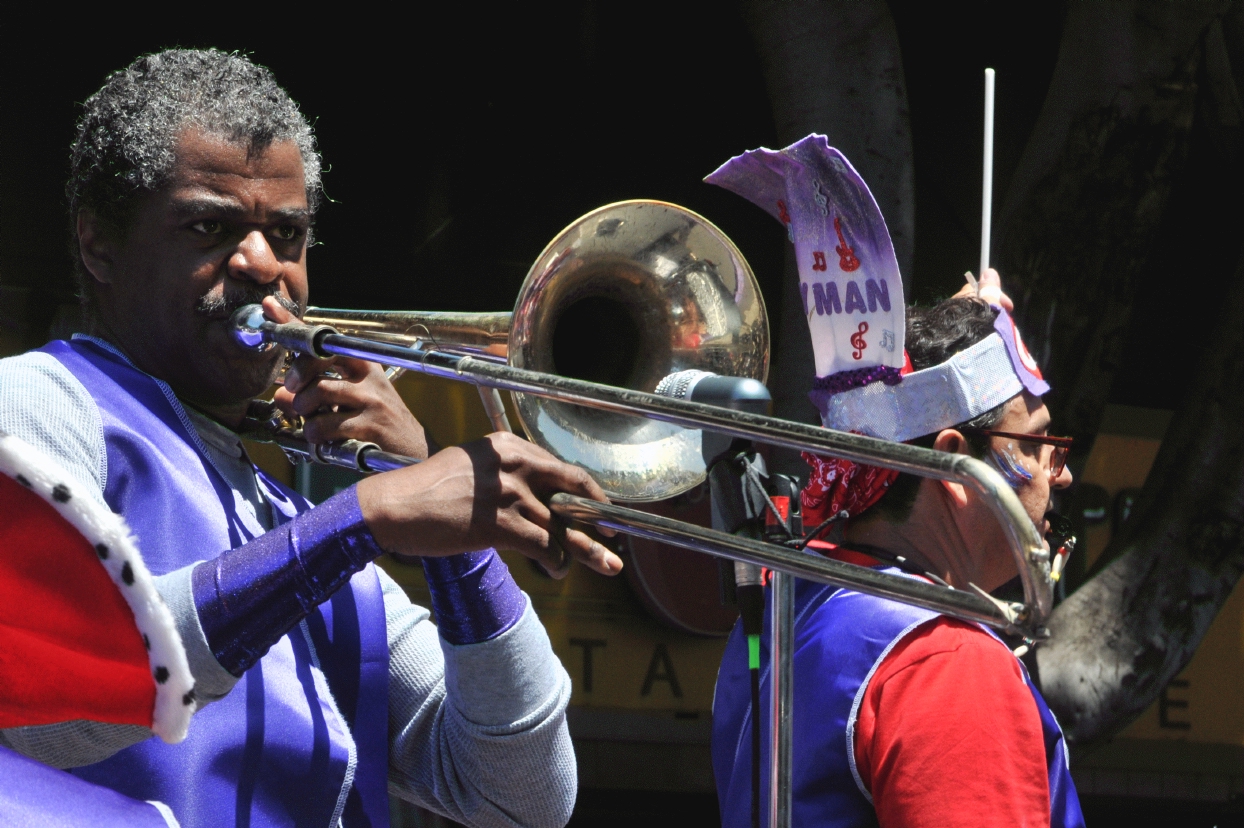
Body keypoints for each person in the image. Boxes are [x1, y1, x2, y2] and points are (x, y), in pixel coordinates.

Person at [0, 48, 623, 828]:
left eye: (288, 235)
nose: (265, 266)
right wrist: (362, 518)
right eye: (208, 226)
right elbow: (54, 698)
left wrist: (454, 532)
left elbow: (523, 796)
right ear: (100, 245)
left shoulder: (290, 523)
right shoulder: (35, 400)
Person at [705, 136, 1085, 827]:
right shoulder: (947, 662)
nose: (1061, 475)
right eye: (1042, 446)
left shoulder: (788, 612)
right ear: (955, 462)